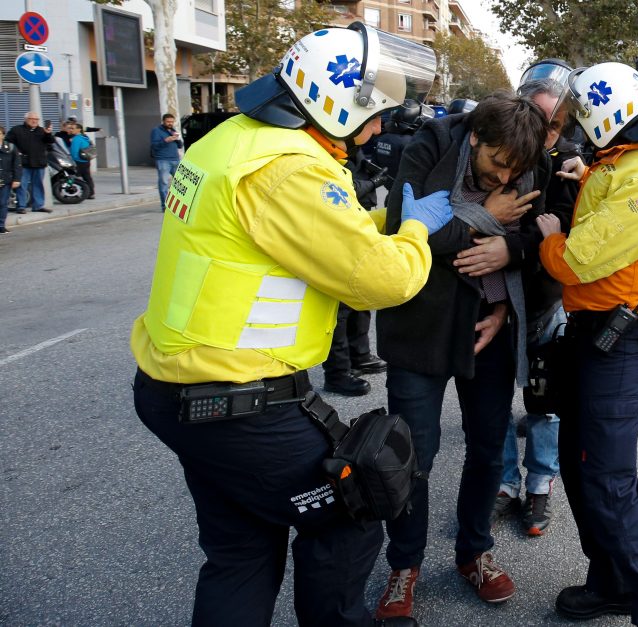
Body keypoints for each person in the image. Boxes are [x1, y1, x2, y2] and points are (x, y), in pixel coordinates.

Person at [130, 22, 444, 627]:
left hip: (178, 391)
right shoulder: (292, 169)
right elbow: (383, 280)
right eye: (372, 115)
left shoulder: (231, 140)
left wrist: (375, 220)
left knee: (241, 550)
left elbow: (300, 236)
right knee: (351, 515)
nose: (378, 129)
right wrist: (414, 230)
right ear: (332, 104)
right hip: (241, 404)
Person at [374, 92, 549, 620]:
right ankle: (404, 566)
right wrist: (486, 219)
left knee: (488, 448)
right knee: (412, 456)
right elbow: (407, 229)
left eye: (513, 172)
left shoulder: (527, 158)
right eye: (496, 165)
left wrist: (508, 250)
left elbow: (540, 233)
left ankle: (474, 553)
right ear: (475, 137)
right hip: (420, 325)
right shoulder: (428, 147)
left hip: (490, 323)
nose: (503, 180)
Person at [538, 61, 638, 626]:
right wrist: (584, 176)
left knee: (609, 479)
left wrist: (552, 238)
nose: (576, 124)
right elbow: (607, 197)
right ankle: (611, 580)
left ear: (606, 116)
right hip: (592, 336)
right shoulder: (619, 163)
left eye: (581, 113)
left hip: (618, 341)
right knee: (580, 471)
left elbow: (577, 259)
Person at [491, 59, 578, 538]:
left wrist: (509, 243)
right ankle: (504, 482)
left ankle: (541, 482)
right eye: (535, 119)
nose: (543, 131)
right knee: (495, 395)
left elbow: (561, 227)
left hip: (543, 298)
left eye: (553, 124)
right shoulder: (498, 152)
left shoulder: (570, 162)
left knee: (545, 397)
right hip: (492, 297)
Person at [320, 151, 392, 397]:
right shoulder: (325, 146)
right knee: (339, 308)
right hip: (337, 231)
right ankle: (337, 373)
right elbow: (334, 191)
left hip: (360, 223)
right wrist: (372, 183)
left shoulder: (350, 144)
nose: (377, 129)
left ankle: (359, 355)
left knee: (360, 297)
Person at [6, 111, 54, 214]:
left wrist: (48, 133)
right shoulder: (16, 130)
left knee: (38, 185)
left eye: (36, 119)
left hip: (39, 163)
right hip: (23, 164)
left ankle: (38, 206)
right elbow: (8, 143)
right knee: (21, 185)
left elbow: (50, 142)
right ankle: (21, 206)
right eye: (32, 119)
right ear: (26, 119)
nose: (34, 121)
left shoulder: (42, 131)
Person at [150, 113, 183, 211]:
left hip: (175, 159)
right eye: (168, 122)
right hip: (163, 160)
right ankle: (165, 206)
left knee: (179, 183)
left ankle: (179, 204)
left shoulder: (173, 131)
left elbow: (180, 146)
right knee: (164, 182)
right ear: (163, 121)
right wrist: (166, 140)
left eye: (172, 122)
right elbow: (154, 146)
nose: (170, 123)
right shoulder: (156, 131)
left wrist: (177, 139)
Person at [0, 126, 22, 234]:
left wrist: (16, 179)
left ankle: (1, 225)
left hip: (5, 179)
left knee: (3, 203)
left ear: (3, 135)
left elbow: (17, 164)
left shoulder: (11, 147)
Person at [68, 123, 95, 200]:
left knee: (72, 177)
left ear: (79, 129)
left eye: (73, 128)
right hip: (86, 160)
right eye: (70, 128)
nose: (71, 130)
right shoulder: (85, 137)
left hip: (79, 161)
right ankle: (91, 193)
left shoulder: (76, 139)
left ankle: (74, 192)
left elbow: (74, 152)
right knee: (87, 177)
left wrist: (72, 160)